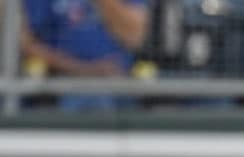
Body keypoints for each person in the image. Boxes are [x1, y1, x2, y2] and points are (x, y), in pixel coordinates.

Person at [20, 0, 151, 111]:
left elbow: (134, 37)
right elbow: (27, 45)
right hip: (58, 82)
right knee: (90, 97)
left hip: (121, 81)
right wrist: (84, 69)